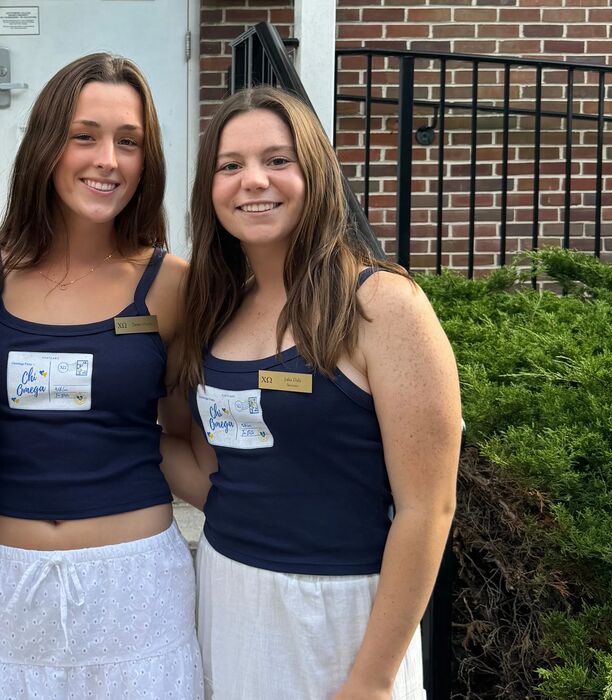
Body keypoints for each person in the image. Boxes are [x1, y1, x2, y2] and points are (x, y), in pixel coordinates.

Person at [160, 86, 461, 699]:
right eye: (230, 165)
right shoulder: (220, 309)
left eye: (278, 160)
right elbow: (218, 479)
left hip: (340, 615)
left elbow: (428, 509)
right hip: (230, 593)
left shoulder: (382, 305)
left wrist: (373, 681)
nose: (253, 181)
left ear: (315, 174)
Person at [0, 53, 203, 698]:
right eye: (84, 136)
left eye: (129, 142)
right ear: (45, 146)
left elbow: (181, 438)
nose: (108, 160)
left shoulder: (173, 286)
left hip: (136, 588)